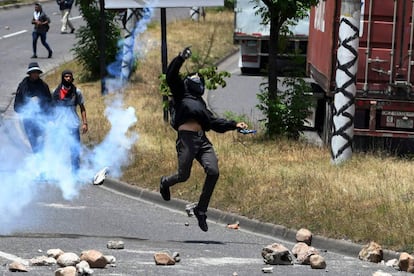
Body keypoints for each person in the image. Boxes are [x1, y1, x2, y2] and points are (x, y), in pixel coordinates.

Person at [160, 47, 248, 232]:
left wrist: (234, 125)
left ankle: (201, 210)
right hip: (187, 139)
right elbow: (170, 76)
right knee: (183, 176)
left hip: (202, 141)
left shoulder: (201, 104)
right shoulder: (180, 93)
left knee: (214, 171)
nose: (199, 82)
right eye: (196, 80)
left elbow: (214, 122)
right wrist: (181, 58)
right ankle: (165, 182)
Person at [52, 70, 88, 173]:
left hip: (73, 124)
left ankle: (75, 172)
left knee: (74, 148)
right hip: (59, 125)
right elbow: (51, 108)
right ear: (63, 78)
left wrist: (85, 123)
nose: (68, 78)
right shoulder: (56, 92)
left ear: (72, 78)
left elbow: (82, 108)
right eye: (66, 76)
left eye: (70, 77)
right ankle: (56, 170)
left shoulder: (77, 92)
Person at [14, 62, 53, 153]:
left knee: (42, 142)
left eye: (36, 72)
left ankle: (41, 159)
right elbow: (17, 106)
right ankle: (37, 160)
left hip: (42, 119)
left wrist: (51, 117)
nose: (35, 74)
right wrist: (28, 104)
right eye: (33, 72)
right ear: (29, 73)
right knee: (34, 143)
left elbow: (50, 103)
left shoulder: (43, 86)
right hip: (28, 120)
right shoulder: (23, 86)